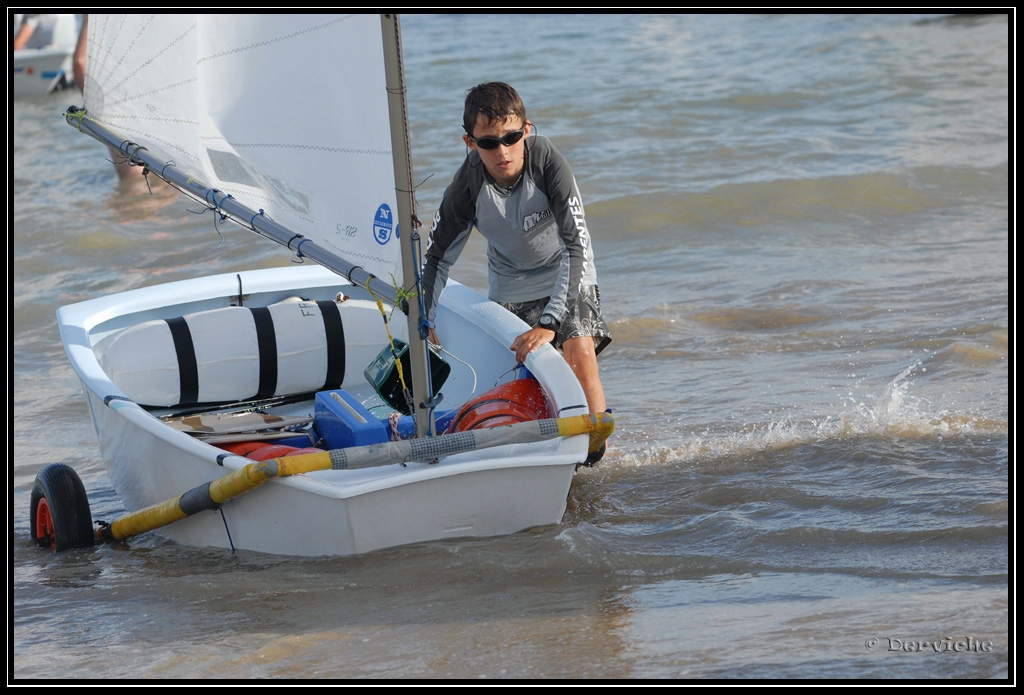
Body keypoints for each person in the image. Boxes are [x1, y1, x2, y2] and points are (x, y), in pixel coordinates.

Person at [420, 82, 611, 464]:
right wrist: (424, 319)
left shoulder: (548, 163)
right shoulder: (466, 186)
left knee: (579, 350)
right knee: (530, 379)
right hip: (511, 281)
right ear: (470, 143)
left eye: (511, 137)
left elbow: (576, 247)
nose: (502, 151)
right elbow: (436, 260)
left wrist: (551, 321)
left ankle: (595, 457)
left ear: (526, 130)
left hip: (566, 268)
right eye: (489, 143)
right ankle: (550, 459)